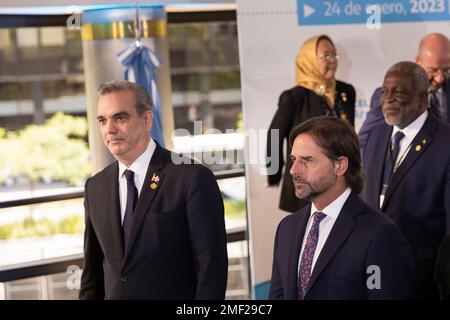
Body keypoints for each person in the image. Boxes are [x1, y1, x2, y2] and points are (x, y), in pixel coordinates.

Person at [79, 80, 228, 300]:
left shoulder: (191, 178)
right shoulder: (95, 187)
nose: (109, 129)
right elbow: (92, 274)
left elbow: (212, 271)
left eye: (120, 118)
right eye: (103, 120)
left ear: (147, 120)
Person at [269, 116, 413, 300]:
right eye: (293, 159)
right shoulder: (286, 228)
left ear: (340, 165)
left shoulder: (380, 234)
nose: (293, 170)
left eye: (307, 160)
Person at [361, 61, 450, 299]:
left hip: (422, 278)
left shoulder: (445, 142)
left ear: (422, 99)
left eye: (398, 92)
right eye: (385, 91)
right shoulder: (375, 135)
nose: (388, 99)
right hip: (371, 272)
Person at [266, 35, 356, 213]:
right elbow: (274, 133)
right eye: (325, 56)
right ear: (308, 60)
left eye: (334, 55)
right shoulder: (295, 97)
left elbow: (349, 135)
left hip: (340, 180)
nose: (332, 61)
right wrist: (273, 174)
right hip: (307, 180)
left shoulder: (346, 91)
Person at [359, 33, 450, 153]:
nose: (440, 78)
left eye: (446, 70)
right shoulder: (388, 96)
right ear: (418, 61)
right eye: (432, 70)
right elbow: (365, 143)